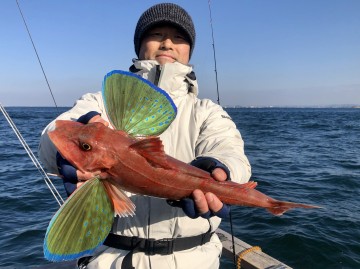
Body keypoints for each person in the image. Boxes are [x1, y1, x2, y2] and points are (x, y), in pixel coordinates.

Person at [39, 3, 251, 269]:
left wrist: (221, 168)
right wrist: (63, 155)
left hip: (194, 259)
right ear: (139, 46)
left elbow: (231, 152)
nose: (167, 43)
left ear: (189, 51)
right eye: (156, 34)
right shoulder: (100, 104)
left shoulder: (205, 111)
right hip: (112, 259)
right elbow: (54, 134)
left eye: (179, 37)